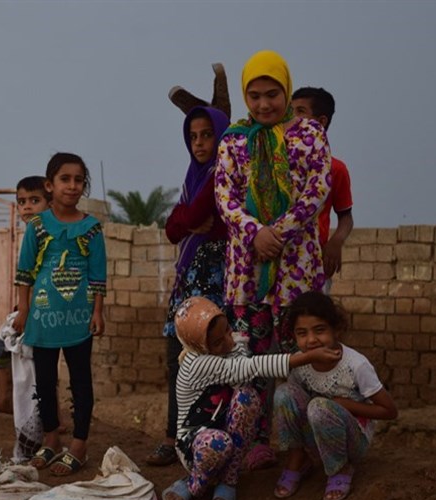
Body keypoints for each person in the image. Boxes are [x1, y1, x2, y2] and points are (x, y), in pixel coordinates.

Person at [214, 50, 331, 471]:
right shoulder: (233, 140)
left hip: (296, 265)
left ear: (287, 91)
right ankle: (257, 441)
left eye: (273, 94)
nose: (264, 104)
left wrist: (277, 233)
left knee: (304, 355)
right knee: (252, 359)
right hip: (247, 272)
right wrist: (255, 233)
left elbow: (318, 189)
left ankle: (310, 443)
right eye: (255, 95)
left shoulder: (309, 134)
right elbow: (224, 197)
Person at [160, 296, 341, 500]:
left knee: (247, 398)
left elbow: (242, 373)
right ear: (199, 346)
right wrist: (305, 357)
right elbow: (249, 367)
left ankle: (229, 479)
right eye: (217, 342)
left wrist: (235, 347)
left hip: (227, 435)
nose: (228, 340)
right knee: (218, 443)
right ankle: (194, 483)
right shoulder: (195, 363)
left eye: (227, 330)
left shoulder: (232, 345)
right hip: (197, 445)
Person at [146, 105, 231, 467]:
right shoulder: (193, 178)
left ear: (221, 136)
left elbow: (193, 216)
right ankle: (173, 437)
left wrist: (185, 218)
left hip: (213, 280)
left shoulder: (221, 174)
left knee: (212, 361)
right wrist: (185, 218)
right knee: (176, 360)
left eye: (207, 135)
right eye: (193, 137)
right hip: (186, 284)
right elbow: (172, 229)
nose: (199, 143)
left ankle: (212, 438)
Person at [14, 152, 107, 477]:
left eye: (78, 180)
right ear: (49, 185)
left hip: (79, 318)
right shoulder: (38, 226)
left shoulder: (92, 228)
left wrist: (98, 312)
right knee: (44, 381)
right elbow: (24, 272)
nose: (72, 185)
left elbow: (98, 274)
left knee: (81, 381)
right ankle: (51, 438)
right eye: (64, 179)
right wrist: (23, 311)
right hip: (43, 318)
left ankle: (79, 445)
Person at [273, 291, 397, 500]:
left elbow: (390, 411)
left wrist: (348, 405)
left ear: (336, 329)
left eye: (319, 330)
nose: (311, 340)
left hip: (352, 442)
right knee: (283, 393)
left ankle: (340, 467)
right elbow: (293, 405)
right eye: (302, 333)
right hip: (315, 437)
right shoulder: (300, 363)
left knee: (319, 406)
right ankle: (298, 458)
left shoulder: (356, 365)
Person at [0, 175, 51, 415]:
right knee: (2, 348)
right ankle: (6, 400)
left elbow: (40, 276)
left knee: (42, 361)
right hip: (30, 307)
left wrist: (26, 308)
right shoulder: (32, 233)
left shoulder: (44, 235)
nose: (27, 207)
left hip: (41, 309)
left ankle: (51, 414)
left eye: (34, 200)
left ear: (49, 203)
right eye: (22, 202)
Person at [291, 86, 354, 291]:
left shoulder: (336, 169)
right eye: (290, 111)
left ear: (321, 122)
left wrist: (336, 242)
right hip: (279, 254)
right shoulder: (277, 162)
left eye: (300, 111)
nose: (293, 118)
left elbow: (346, 216)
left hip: (314, 261)